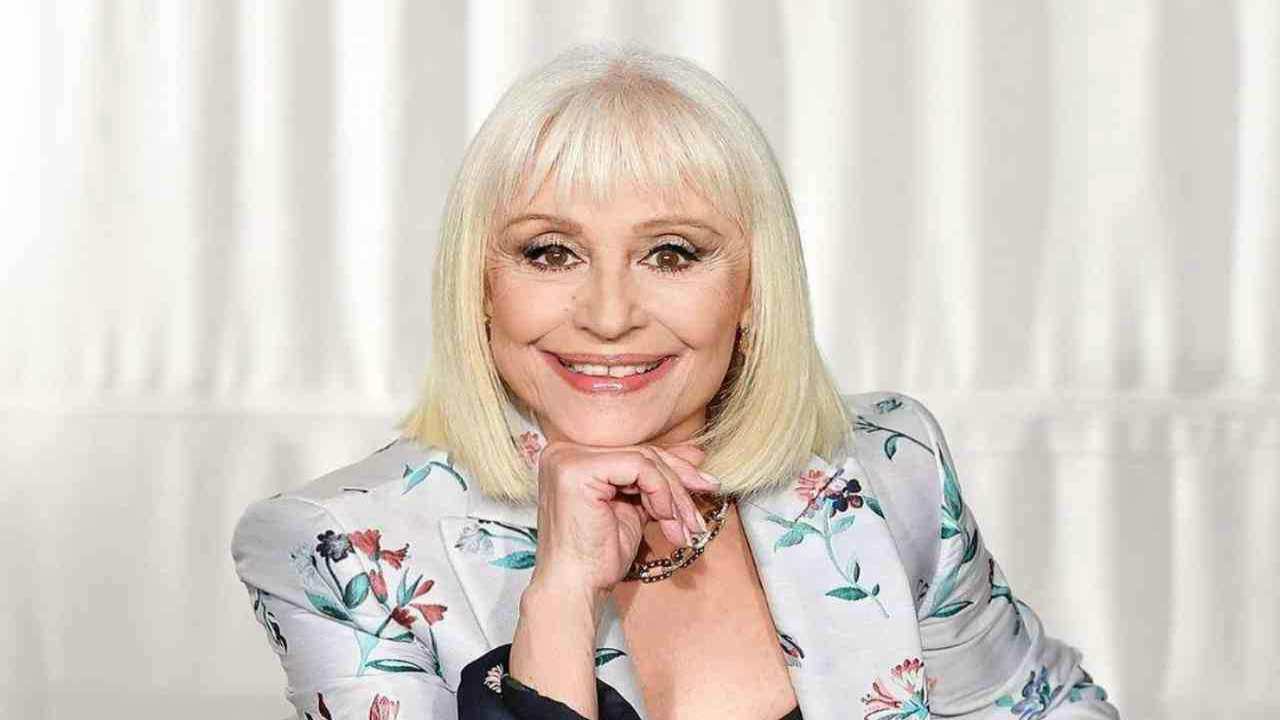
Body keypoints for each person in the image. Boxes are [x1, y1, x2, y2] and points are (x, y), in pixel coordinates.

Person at [231, 43, 1120, 720]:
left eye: (672, 253)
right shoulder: (341, 548)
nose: (609, 314)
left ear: (753, 289)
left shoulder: (890, 466)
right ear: (480, 285)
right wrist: (559, 603)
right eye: (551, 252)